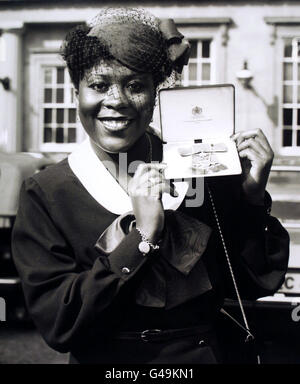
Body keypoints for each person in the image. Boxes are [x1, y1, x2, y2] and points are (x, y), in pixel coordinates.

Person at [12, 7, 289, 364]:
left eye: (136, 86)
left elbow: (255, 283)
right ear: (75, 92)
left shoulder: (199, 168)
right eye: (99, 85)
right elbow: (59, 324)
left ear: (155, 94)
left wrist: (250, 197)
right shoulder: (47, 192)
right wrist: (141, 238)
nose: (117, 101)